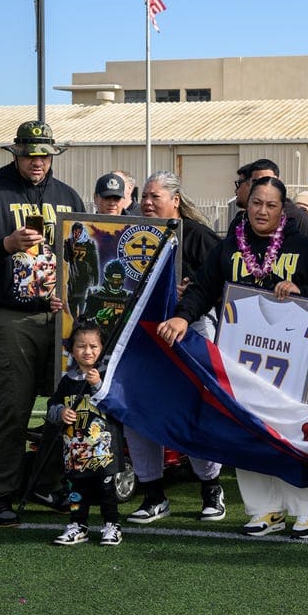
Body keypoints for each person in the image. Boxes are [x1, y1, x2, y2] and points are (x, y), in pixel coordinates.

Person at [159, 177, 308, 538]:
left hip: (293, 363)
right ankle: (264, 509)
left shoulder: (303, 248)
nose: (262, 211)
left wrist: (302, 290)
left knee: (294, 432)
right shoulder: (228, 248)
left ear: (283, 210)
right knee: (247, 431)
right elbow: (203, 289)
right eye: (256, 203)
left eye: (271, 205)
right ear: (246, 204)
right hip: (243, 360)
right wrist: (182, 316)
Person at [0, 120, 86, 526]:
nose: (37, 161)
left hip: (58, 315)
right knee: (14, 407)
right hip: (8, 316)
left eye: (44, 154)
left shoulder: (67, 196)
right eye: (30, 154)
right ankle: (0, 495)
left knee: (65, 404)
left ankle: (46, 482)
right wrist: (6, 244)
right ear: (16, 154)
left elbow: (82, 256)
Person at [127, 171, 226, 524]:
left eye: (155, 196)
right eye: (144, 196)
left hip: (190, 332)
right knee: (136, 409)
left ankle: (211, 487)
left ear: (176, 200)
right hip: (142, 335)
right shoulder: (132, 233)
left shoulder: (197, 235)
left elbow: (226, 281)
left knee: (194, 408)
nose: (147, 202)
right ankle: (153, 494)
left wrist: (195, 293)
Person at [47, 322, 123, 546]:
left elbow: (119, 407)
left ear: (102, 348)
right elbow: (52, 406)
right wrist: (61, 412)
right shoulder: (67, 380)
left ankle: (112, 525)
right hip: (75, 453)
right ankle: (78, 524)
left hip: (104, 453)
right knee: (76, 492)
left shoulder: (109, 376)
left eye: (93, 346)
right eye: (81, 346)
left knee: (107, 490)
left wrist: (98, 385)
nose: (87, 351)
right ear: (71, 350)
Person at [228, 159, 308, 242]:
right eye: (256, 182)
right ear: (249, 184)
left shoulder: (300, 219)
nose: (263, 186)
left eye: (268, 180)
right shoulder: (239, 223)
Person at [63, 222, 99, 320]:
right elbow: (66, 259)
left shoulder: (90, 244)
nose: (76, 235)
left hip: (86, 278)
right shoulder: (69, 242)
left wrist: (96, 281)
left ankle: (81, 321)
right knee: (72, 301)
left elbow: (94, 264)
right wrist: (67, 247)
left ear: (83, 232)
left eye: (79, 232)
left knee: (83, 301)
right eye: (75, 232)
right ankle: (75, 321)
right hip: (73, 278)